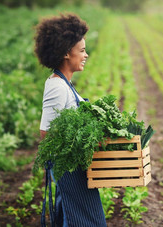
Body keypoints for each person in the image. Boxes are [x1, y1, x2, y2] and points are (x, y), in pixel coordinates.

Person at [34, 13, 107, 227]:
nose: (86, 55)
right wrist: (77, 143)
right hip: (69, 169)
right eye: (82, 51)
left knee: (75, 218)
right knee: (86, 221)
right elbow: (46, 133)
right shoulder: (57, 86)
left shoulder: (65, 84)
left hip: (73, 167)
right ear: (67, 53)